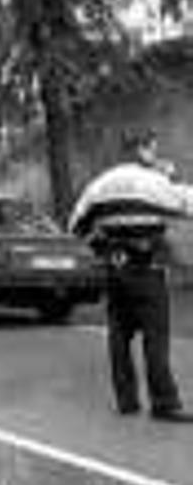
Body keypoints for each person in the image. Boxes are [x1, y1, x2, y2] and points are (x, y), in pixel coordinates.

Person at [83, 129, 193, 422]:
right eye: (153, 150)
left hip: (115, 269)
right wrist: (170, 178)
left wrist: (103, 248)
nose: (156, 156)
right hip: (147, 268)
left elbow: (76, 223)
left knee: (119, 334)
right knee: (155, 336)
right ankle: (164, 403)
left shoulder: (100, 184)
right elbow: (186, 204)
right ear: (142, 150)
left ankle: (127, 400)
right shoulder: (153, 181)